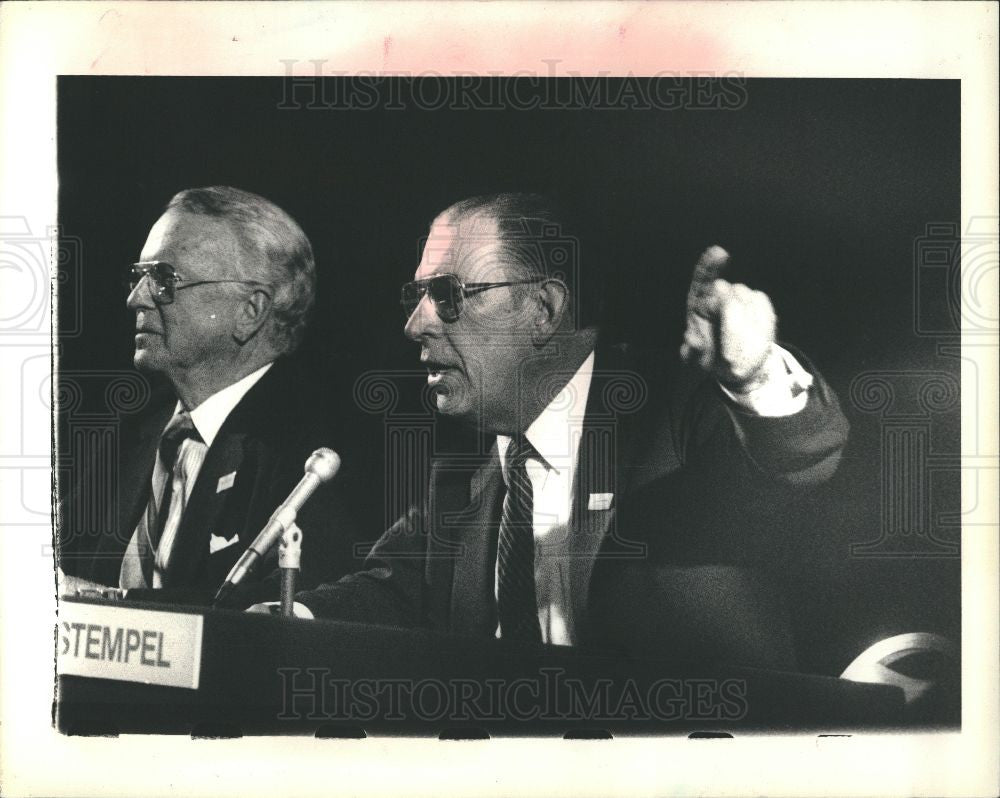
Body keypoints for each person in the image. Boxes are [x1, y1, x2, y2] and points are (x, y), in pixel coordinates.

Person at [266, 192, 850, 668]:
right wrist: (282, 620)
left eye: (446, 294)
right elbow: (392, 591)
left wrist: (753, 377)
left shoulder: (676, 412)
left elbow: (804, 454)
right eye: (416, 295)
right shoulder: (467, 469)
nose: (414, 324)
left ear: (543, 310)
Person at [58, 186, 374, 606]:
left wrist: (111, 604)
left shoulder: (313, 453)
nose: (135, 298)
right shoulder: (132, 426)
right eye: (139, 276)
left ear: (251, 311)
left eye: (164, 279)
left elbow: (278, 613)